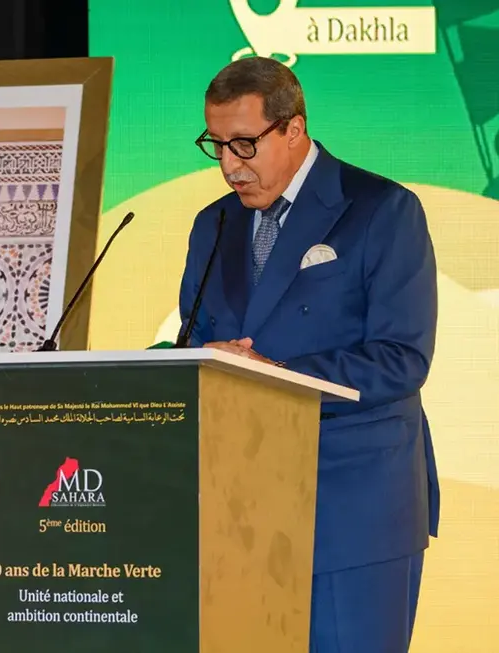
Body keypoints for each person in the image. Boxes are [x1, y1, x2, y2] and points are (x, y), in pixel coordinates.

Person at [178, 57, 439, 652]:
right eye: (214, 146)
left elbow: (402, 357)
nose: (228, 167)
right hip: (241, 504)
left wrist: (279, 377)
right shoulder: (211, 225)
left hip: (353, 503)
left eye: (243, 145)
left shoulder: (380, 209)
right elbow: (196, 341)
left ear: (293, 129)